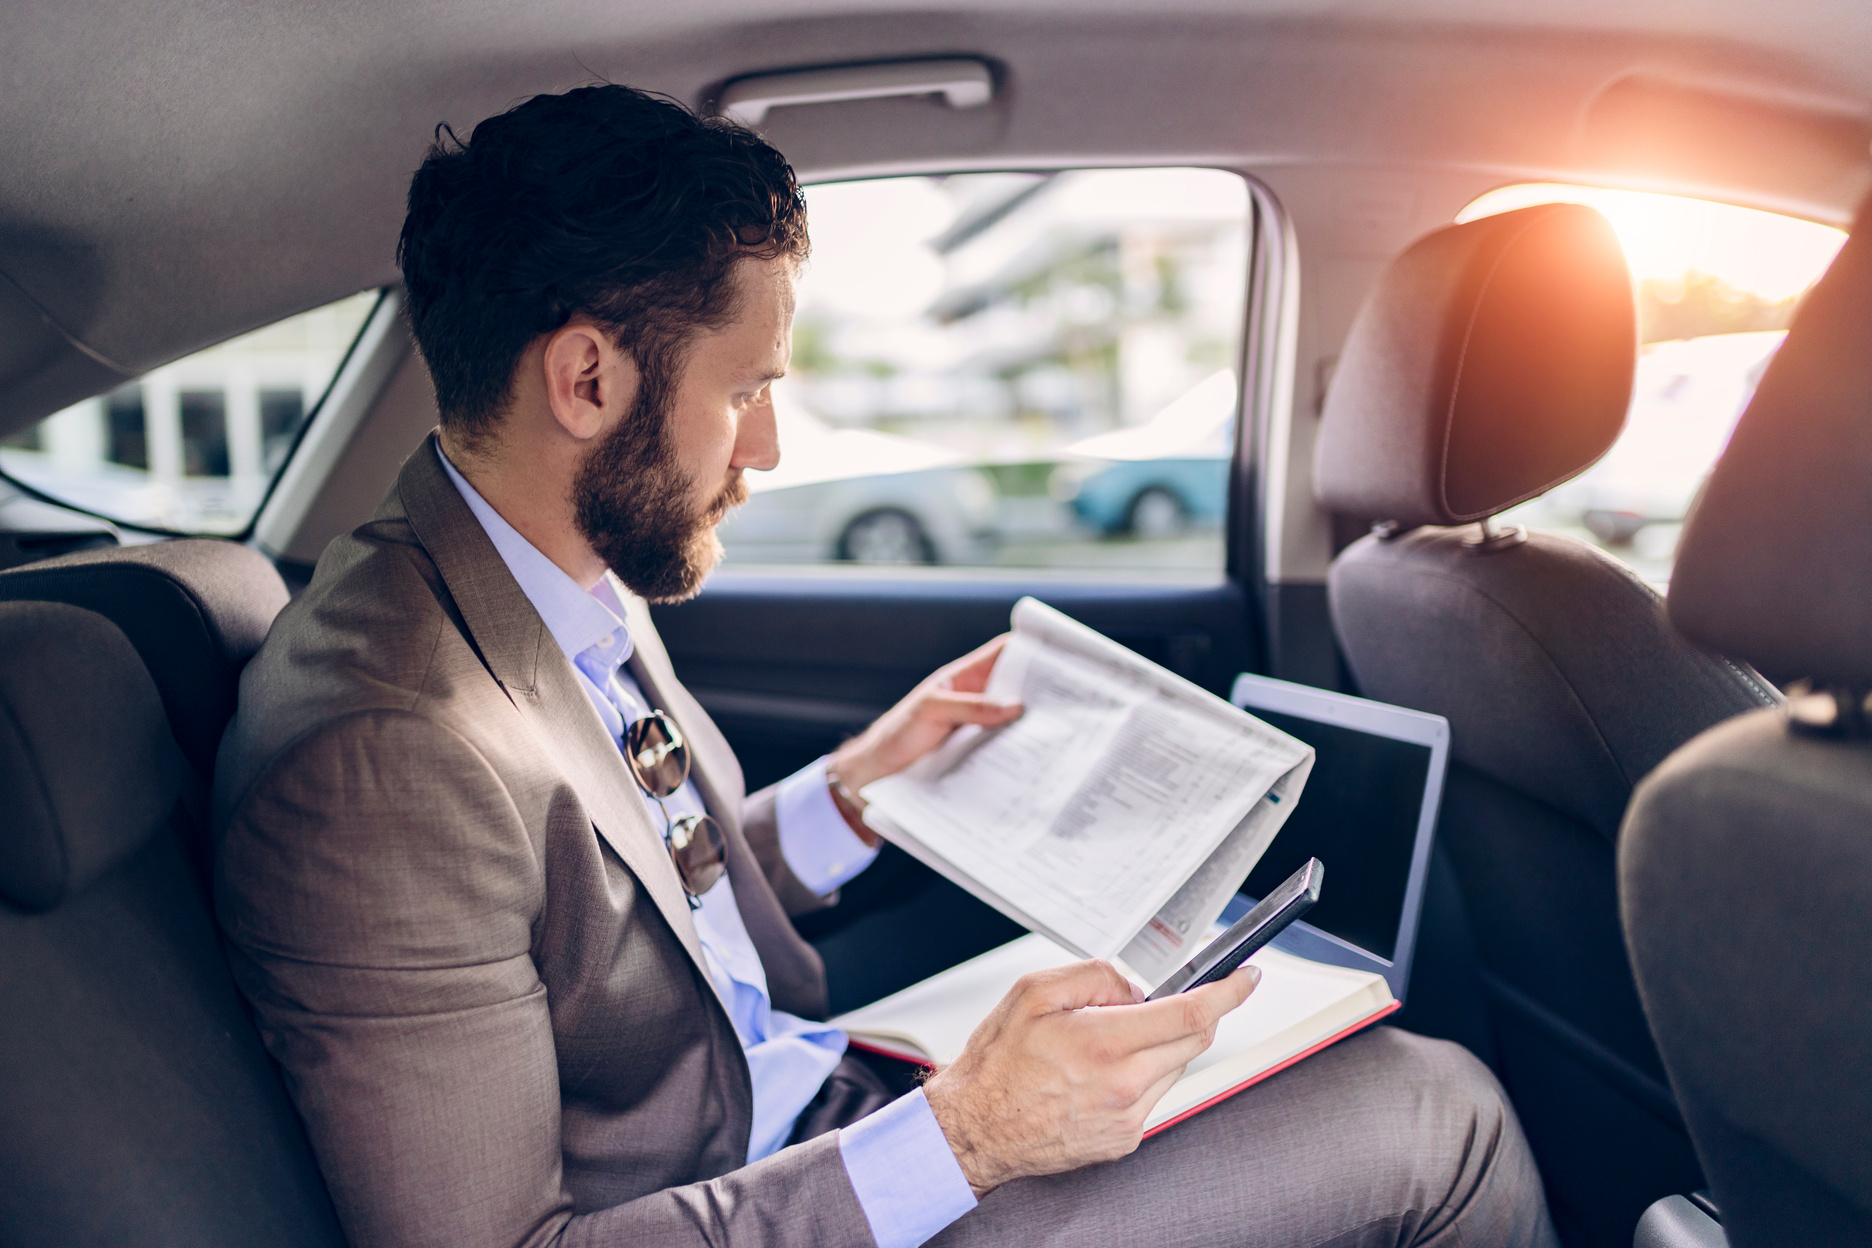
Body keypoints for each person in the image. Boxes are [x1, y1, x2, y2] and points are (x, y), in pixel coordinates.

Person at [214, 84, 1559, 1248]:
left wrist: (853, 793)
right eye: (745, 392)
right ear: (586, 379)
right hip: (765, 1191)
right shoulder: (385, 754)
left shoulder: (541, 568)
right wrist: (970, 1135)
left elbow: (611, 918)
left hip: (798, 1108)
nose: (771, 450)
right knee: (1446, 1115)